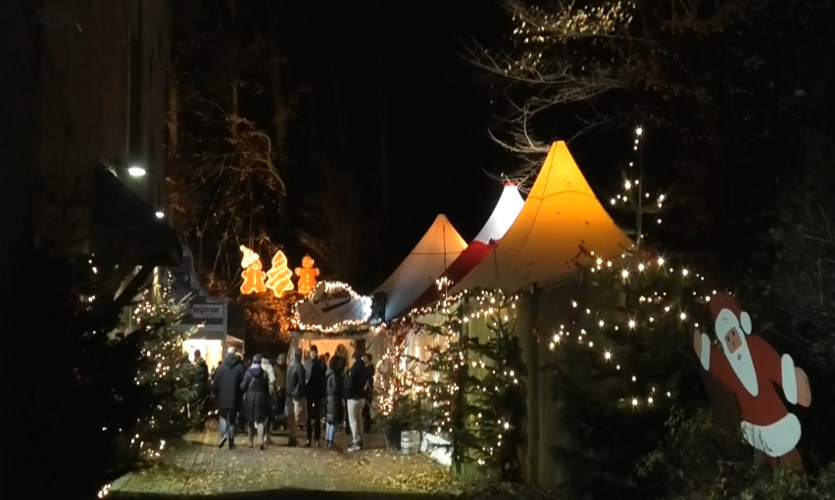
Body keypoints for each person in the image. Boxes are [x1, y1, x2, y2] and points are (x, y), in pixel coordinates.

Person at [212, 347, 245, 449]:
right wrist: (240, 392)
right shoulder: (240, 367)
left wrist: (214, 392)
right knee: (232, 419)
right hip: (234, 396)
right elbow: (243, 383)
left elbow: (215, 383)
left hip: (222, 396)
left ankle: (224, 435)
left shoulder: (220, 368)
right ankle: (231, 442)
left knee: (222, 416)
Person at [241, 354, 271, 450]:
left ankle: (250, 441)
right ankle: (261, 440)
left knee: (250, 420)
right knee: (260, 420)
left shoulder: (248, 373)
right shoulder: (265, 373)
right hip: (261, 398)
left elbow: (243, 386)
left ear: (253, 362)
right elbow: (266, 389)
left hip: (250, 398)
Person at [303, 345, 327, 447]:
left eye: (314, 352)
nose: (313, 353)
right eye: (311, 352)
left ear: (316, 353)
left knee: (317, 417)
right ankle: (308, 439)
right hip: (309, 392)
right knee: (308, 417)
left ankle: (317, 439)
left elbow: (324, 379)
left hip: (317, 393)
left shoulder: (321, 364)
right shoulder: (306, 364)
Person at [345, 351, 369, 452]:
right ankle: (361, 439)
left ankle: (356, 440)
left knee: (353, 420)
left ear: (354, 358)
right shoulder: (365, 369)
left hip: (353, 398)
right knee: (359, 420)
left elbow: (350, 384)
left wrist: (347, 394)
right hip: (362, 398)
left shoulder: (354, 369)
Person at [285, 347, 306, 447]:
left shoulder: (290, 365)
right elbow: (301, 382)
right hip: (296, 394)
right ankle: (293, 438)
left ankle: (291, 437)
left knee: (291, 417)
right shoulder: (299, 366)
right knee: (295, 418)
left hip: (289, 393)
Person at [325, 354, 343, 450]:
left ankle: (327, 440)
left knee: (329, 420)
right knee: (333, 421)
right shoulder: (335, 375)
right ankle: (331, 441)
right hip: (334, 400)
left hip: (329, 399)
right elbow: (336, 388)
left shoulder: (328, 373)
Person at [260, 356, 277, 443]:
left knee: (260, 416)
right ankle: (267, 436)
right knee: (268, 415)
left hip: (259, 393)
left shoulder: (257, 366)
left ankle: (260, 437)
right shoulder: (269, 367)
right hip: (268, 394)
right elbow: (273, 379)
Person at [192, 349, 210, 427]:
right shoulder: (204, 365)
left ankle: (196, 423)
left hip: (196, 387)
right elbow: (206, 375)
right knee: (202, 405)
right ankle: (202, 423)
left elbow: (192, 376)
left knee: (195, 405)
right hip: (203, 387)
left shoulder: (195, 365)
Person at [274, 354, 288, 431]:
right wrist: (276, 387)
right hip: (277, 391)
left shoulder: (286, 368)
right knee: (277, 409)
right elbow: (273, 379)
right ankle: (276, 424)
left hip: (284, 390)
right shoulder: (275, 368)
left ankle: (283, 425)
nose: (282, 360)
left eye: (283, 359)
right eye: (280, 359)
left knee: (284, 409)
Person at [362, 353, 375, 432]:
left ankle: (367, 426)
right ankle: (366, 426)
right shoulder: (367, 367)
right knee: (365, 409)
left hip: (368, 391)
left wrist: (367, 385)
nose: (364, 359)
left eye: (365, 358)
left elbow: (370, 379)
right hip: (367, 390)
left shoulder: (370, 368)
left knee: (366, 408)